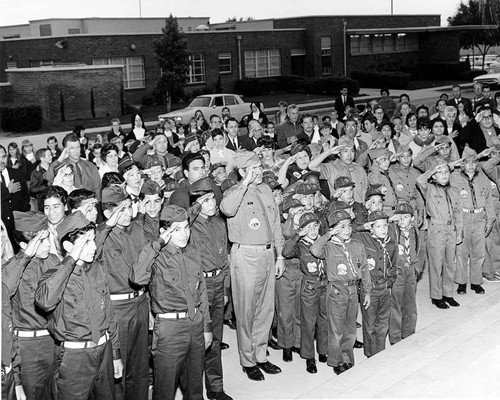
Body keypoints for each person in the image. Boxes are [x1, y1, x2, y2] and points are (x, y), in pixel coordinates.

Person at [35, 211, 123, 400]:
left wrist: (115, 354)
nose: (93, 247)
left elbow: (109, 314)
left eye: (93, 240)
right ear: (68, 246)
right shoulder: (53, 275)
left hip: (104, 350)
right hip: (75, 357)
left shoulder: (97, 269)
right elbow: (44, 301)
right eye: (86, 242)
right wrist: (70, 260)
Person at [130, 204, 212, 400]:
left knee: (194, 387)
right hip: (170, 327)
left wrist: (206, 326)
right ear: (164, 232)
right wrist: (158, 243)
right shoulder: (155, 255)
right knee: (165, 388)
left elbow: (201, 291)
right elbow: (137, 278)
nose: (183, 234)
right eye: (176, 230)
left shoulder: (192, 252)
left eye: (186, 227)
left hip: (195, 322)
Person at [220, 150, 284, 381]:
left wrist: (280, 255)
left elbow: (276, 223)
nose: (260, 172)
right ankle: (247, 361)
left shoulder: (266, 189)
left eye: (260, 167)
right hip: (246, 256)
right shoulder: (232, 192)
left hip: (268, 254)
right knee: (246, 311)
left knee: (265, 309)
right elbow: (226, 209)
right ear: (242, 172)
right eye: (253, 169)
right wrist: (244, 182)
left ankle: (260, 355)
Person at [96, 185, 149, 400]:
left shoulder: (136, 229)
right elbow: (94, 243)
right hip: (118, 309)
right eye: (122, 210)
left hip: (141, 302)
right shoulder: (101, 236)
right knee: (119, 368)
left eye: (129, 207)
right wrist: (107, 224)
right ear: (108, 214)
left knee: (140, 365)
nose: (128, 214)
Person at [310, 209, 371, 375]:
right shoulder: (328, 247)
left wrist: (367, 291)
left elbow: (364, 269)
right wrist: (329, 234)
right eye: (341, 227)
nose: (347, 230)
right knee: (336, 330)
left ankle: (347, 358)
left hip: (353, 290)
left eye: (349, 226)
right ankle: (336, 361)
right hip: (337, 290)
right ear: (334, 229)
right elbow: (314, 250)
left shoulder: (357, 245)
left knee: (350, 329)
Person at [189, 178, 233, 400]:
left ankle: (216, 388)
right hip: (200, 286)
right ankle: (194, 391)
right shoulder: (188, 226)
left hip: (217, 283)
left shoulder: (218, 223)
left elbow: (224, 259)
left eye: (212, 198)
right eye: (206, 200)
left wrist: (225, 289)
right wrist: (196, 205)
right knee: (199, 341)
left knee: (215, 339)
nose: (212, 203)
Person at [282, 212, 328, 374]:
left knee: (324, 320)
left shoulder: (324, 241)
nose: (313, 230)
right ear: (302, 230)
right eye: (308, 228)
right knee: (308, 323)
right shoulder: (300, 245)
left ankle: (323, 351)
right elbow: (286, 252)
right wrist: (296, 235)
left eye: (315, 226)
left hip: (325, 284)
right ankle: (309, 357)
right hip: (309, 286)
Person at [417, 162, 463, 309]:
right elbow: (419, 180)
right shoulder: (429, 189)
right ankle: (436, 296)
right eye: (440, 172)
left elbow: (458, 212)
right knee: (436, 265)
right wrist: (432, 169)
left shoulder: (454, 190)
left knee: (450, 263)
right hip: (437, 230)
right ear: (434, 176)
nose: (443, 175)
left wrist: (459, 231)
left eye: (446, 172)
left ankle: (448, 294)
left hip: (451, 229)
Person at [450, 146, 494, 296]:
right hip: (463, 218)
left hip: (480, 218)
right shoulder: (454, 177)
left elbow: (488, 199)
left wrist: (490, 219)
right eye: (467, 162)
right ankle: (461, 282)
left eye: (473, 162)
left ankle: (476, 282)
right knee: (461, 251)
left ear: (477, 163)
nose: (470, 165)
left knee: (478, 252)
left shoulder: (483, 178)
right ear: (462, 163)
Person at [354, 211, 397, 358]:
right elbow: (347, 230)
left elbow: (393, 265)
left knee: (383, 323)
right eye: (378, 226)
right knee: (369, 324)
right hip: (369, 290)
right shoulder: (363, 239)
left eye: (385, 225)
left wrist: (389, 283)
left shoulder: (391, 243)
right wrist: (362, 227)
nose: (383, 229)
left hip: (384, 288)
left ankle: (380, 352)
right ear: (370, 228)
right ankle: (370, 355)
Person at [387, 203, 420, 345]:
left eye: (406, 217)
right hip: (398, 270)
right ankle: (395, 337)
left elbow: (421, 251)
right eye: (399, 217)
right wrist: (390, 220)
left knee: (410, 304)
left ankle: (409, 332)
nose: (402, 220)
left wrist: (417, 268)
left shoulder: (415, 232)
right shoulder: (392, 230)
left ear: (412, 218)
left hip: (410, 270)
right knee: (395, 304)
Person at [308, 136, 368, 204]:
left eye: (352, 151)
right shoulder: (331, 168)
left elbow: (364, 191)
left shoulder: (359, 169)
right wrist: (329, 151)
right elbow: (311, 166)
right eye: (345, 151)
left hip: (359, 210)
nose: (349, 155)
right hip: (339, 210)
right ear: (338, 153)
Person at [44, 133, 101, 199]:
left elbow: (97, 188)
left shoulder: (90, 166)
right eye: (72, 148)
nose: (76, 151)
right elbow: (48, 177)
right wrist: (60, 159)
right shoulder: (60, 166)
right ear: (65, 149)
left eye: (78, 147)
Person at [1, 144, 31, 252]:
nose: (2, 161)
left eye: (3, 157)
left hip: (18, 223)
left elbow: (25, 196)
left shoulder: (16, 173)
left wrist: (23, 214)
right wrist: (7, 191)